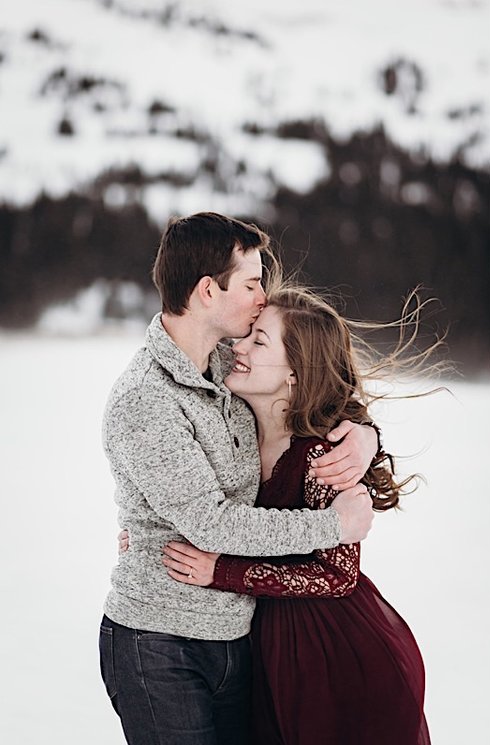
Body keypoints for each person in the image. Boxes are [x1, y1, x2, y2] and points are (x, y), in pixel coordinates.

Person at [99, 212, 380, 745]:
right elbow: (212, 524)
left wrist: (364, 434)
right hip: (161, 642)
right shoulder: (146, 399)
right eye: (251, 283)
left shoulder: (229, 363)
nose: (261, 297)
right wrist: (331, 527)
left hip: (241, 638)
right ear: (208, 290)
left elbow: (315, 382)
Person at [155, 283, 431, 744]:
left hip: (331, 653)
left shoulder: (324, 458)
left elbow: (338, 576)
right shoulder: (232, 431)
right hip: (265, 649)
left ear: (295, 374)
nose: (236, 347)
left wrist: (223, 572)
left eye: (257, 341)